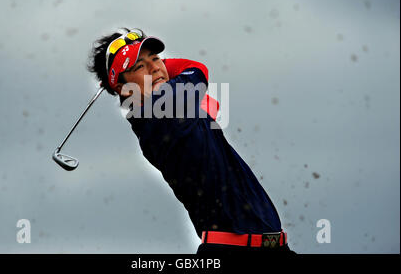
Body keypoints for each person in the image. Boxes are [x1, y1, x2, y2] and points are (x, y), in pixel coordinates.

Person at [87, 28, 295, 255]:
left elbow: (201, 93)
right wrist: (160, 66)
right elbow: (196, 69)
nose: (155, 67)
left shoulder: (173, 107)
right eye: (140, 66)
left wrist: (142, 68)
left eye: (156, 59)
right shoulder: (158, 113)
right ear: (122, 88)